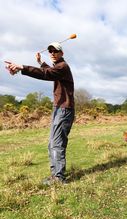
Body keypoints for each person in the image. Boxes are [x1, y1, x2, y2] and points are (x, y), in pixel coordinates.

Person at [5, 42, 75, 185]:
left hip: (64, 109)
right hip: (59, 109)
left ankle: (59, 178)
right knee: (52, 144)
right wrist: (40, 62)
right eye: (50, 51)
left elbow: (47, 74)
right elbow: (50, 72)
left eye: (55, 51)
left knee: (56, 143)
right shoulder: (58, 68)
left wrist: (22, 67)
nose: (52, 53)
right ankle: (56, 175)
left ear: (62, 53)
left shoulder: (63, 66)